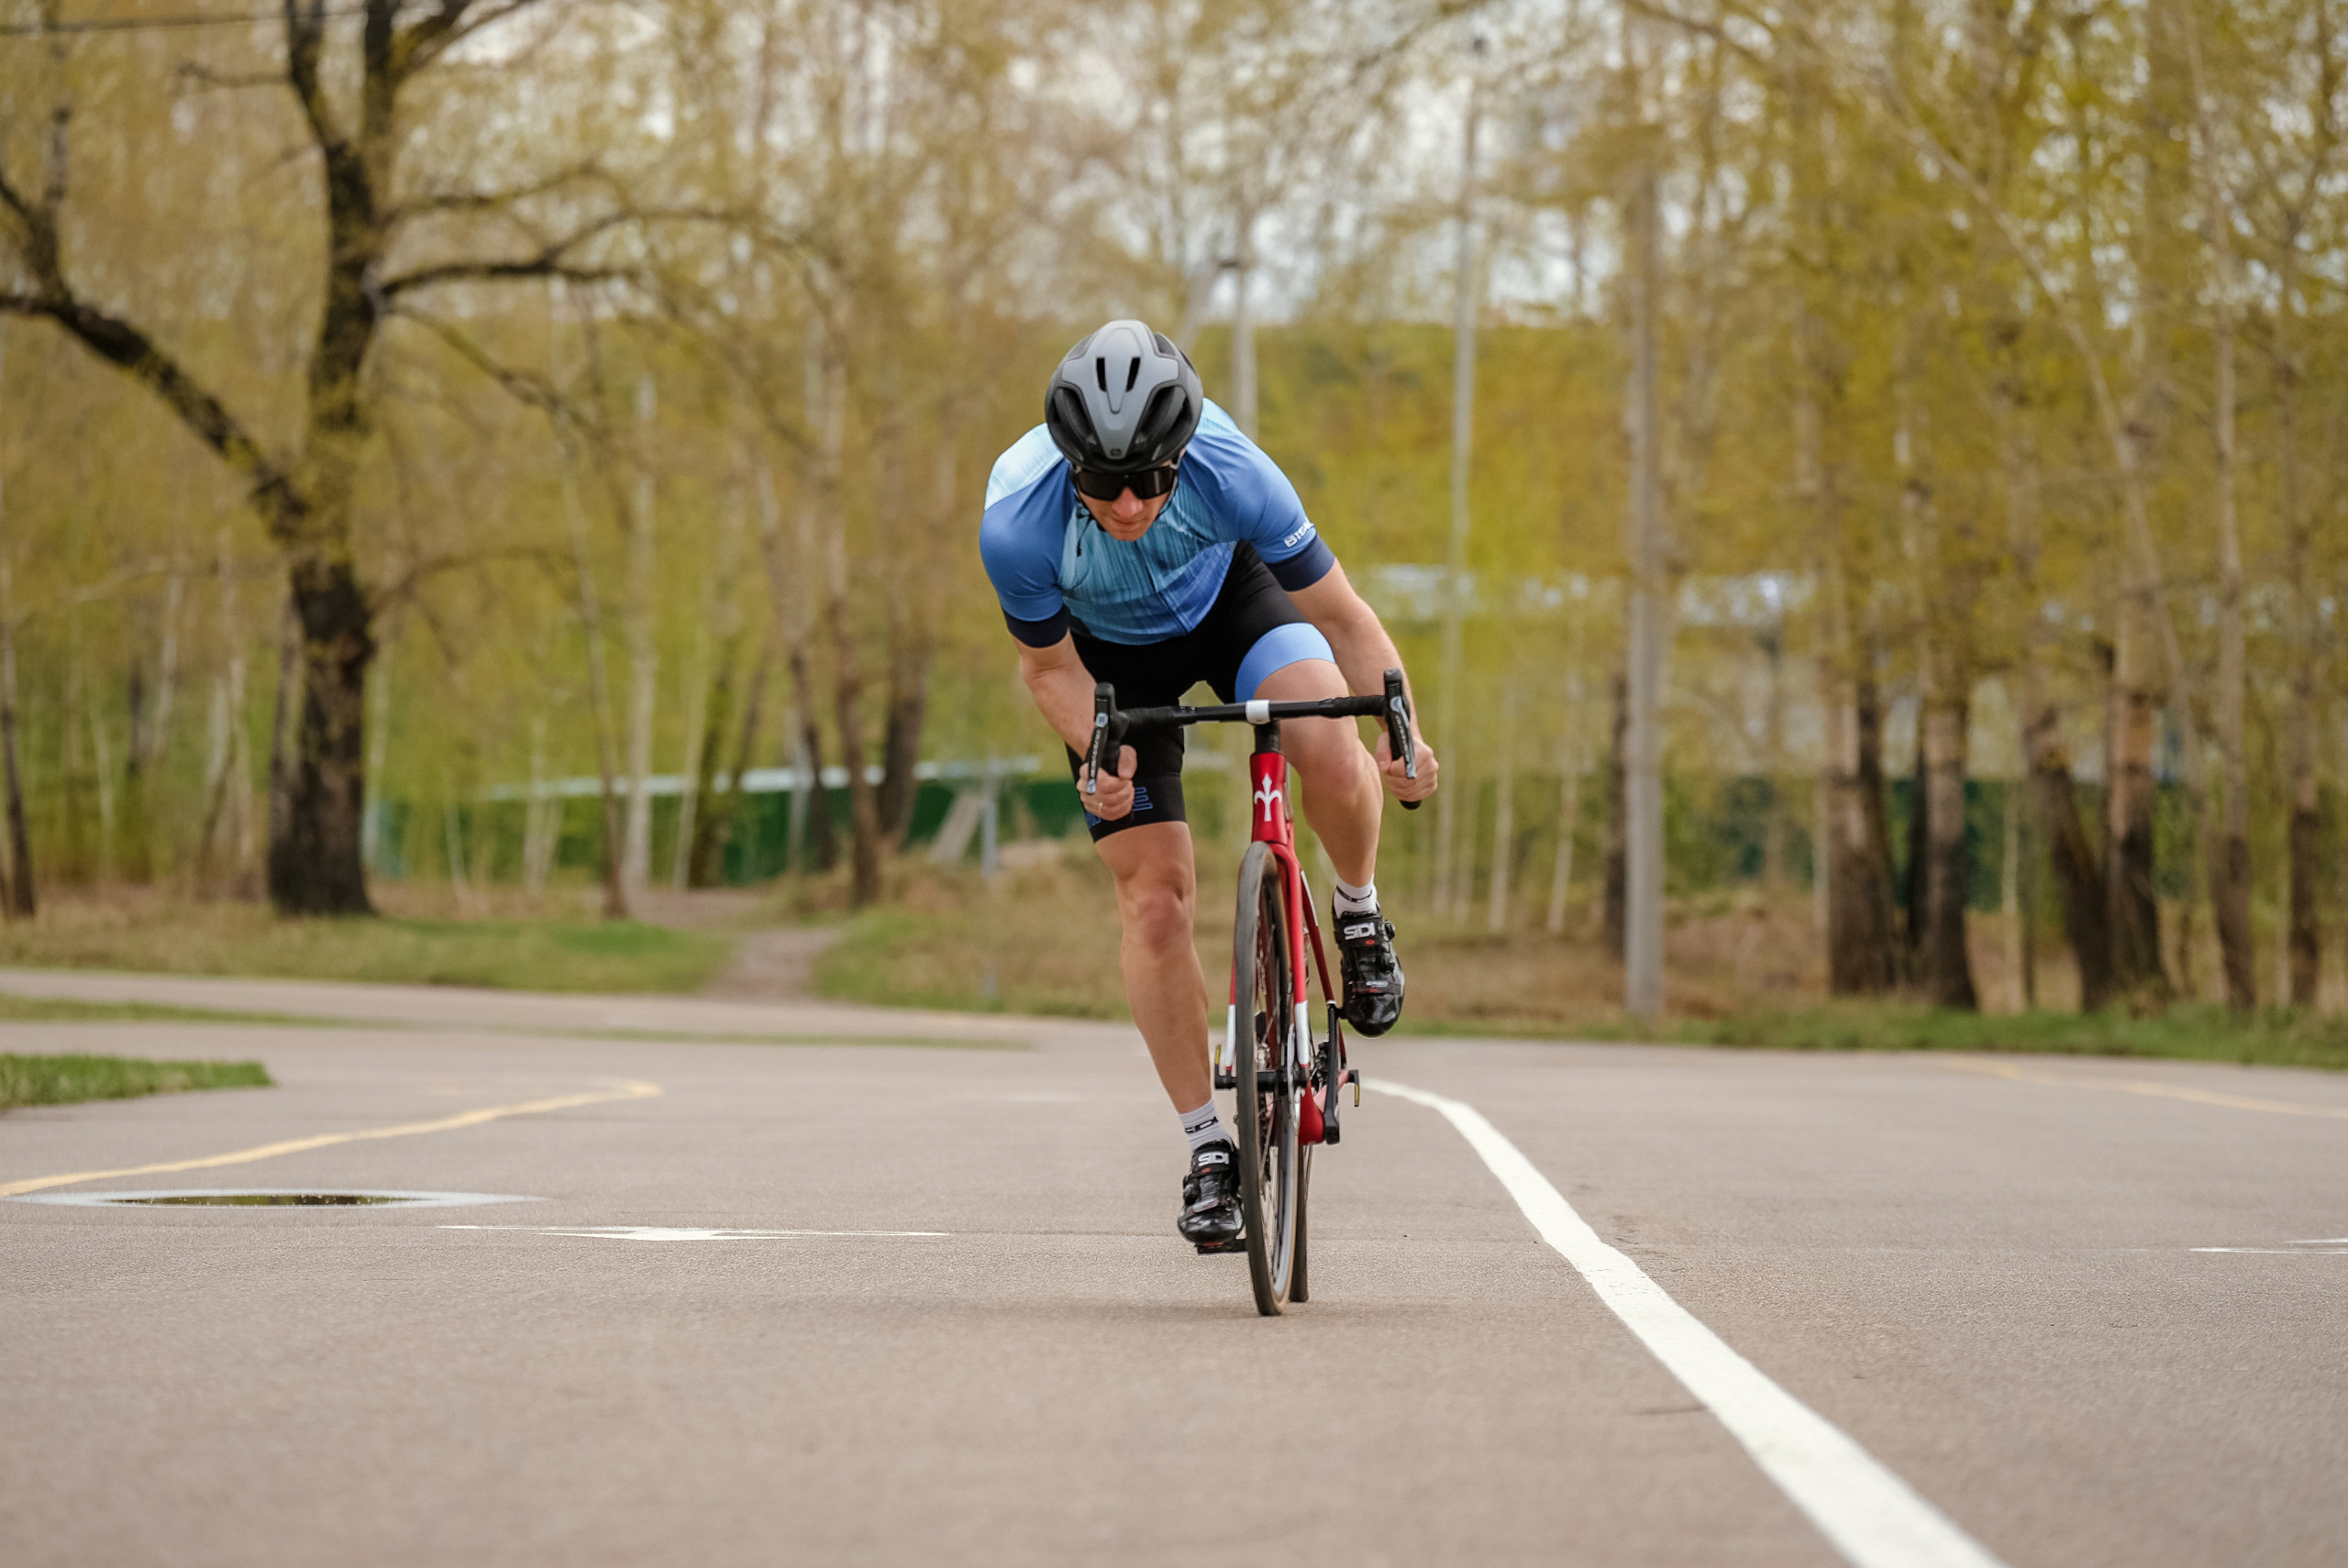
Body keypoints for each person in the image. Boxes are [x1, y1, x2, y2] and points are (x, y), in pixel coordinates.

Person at [980, 319, 1440, 1250]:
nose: (1125, 506)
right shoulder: (1017, 522)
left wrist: (1406, 739)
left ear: (1181, 456)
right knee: (1153, 903)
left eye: (1148, 480)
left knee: (1326, 733)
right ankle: (1206, 1151)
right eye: (1103, 484)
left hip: (1231, 603)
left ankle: (1355, 912)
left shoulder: (1236, 473)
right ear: (1069, 466)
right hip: (1107, 661)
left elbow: (1346, 621)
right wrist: (1099, 757)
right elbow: (1047, 670)